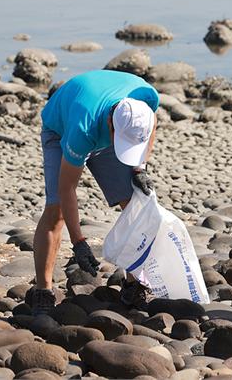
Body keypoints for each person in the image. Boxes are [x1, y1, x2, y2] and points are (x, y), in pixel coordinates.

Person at [29, 69, 159, 316]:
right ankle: (43, 291)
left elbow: (151, 124)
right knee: (56, 209)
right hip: (61, 128)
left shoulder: (146, 98)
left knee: (134, 203)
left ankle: (134, 284)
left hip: (106, 120)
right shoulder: (82, 128)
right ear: (111, 125)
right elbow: (67, 188)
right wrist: (79, 243)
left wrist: (140, 168)